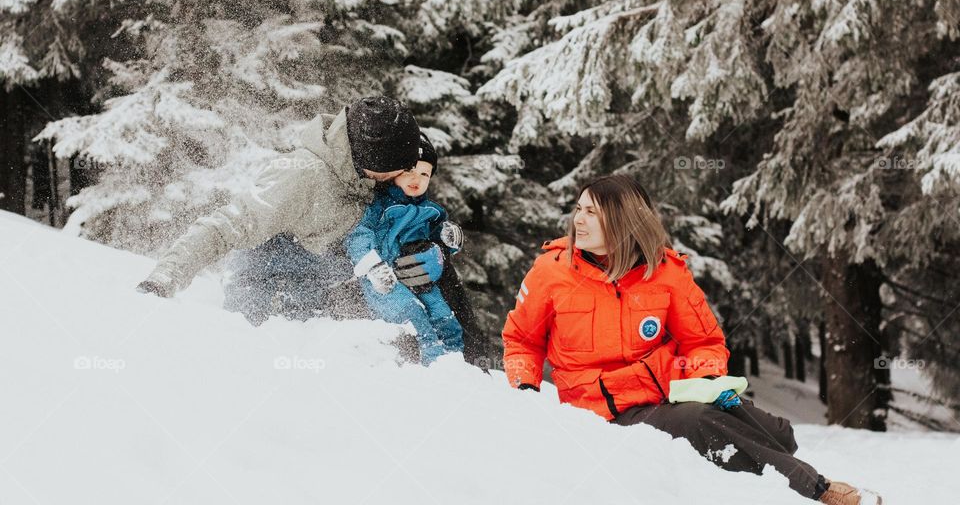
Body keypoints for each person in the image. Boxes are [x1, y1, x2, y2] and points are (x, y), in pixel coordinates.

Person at [502, 175, 882, 505]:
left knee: (775, 432)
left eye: (591, 212)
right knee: (701, 422)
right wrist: (524, 391)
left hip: (672, 390)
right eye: (579, 208)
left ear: (622, 222)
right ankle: (817, 489)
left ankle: (766, 459)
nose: (577, 221)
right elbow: (521, 340)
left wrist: (709, 381)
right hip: (605, 409)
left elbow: (705, 342)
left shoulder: (665, 272)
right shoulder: (551, 272)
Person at [136, 96, 434, 321]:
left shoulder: (366, 179)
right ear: (374, 162)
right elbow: (226, 226)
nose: (405, 175)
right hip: (266, 297)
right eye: (399, 168)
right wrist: (164, 278)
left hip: (321, 292)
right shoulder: (301, 175)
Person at [346, 134, 465, 363]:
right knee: (414, 317)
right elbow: (358, 234)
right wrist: (372, 266)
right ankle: (430, 365)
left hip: (420, 278)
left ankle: (456, 364)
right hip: (385, 280)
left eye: (424, 174)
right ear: (394, 173)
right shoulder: (379, 205)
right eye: (409, 171)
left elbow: (437, 241)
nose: (416, 179)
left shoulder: (432, 211)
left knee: (445, 317)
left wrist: (450, 239)